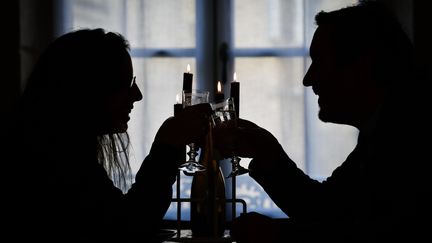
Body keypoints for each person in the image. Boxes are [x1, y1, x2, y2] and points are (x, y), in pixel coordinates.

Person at [215, 1, 430, 242]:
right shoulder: (383, 129)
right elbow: (329, 208)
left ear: (362, 65)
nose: (308, 79)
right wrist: (267, 152)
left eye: (320, 61)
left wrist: (279, 234)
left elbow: (374, 232)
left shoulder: (409, 136)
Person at [3, 28, 211, 242]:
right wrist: (166, 146)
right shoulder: (56, 157)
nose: (137, 95)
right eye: (124, 84)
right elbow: (127, 227)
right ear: (87, 90)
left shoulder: (54, 144)